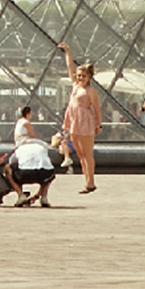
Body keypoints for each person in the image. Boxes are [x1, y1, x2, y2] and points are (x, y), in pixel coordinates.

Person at [58, 41, 102, 193]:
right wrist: (68, 51)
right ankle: (87, 181)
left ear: (89, 77)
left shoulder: (91, 91)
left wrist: (98, 125)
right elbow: (70, 66)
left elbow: (97, 110)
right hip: (74, 120)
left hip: (85, 121)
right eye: (79, 76)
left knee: (88, 153)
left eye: (83, 76)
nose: (80, 78)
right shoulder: (76, 85)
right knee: (80, 153)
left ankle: (91, 182)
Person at [9, 135, 56, 205]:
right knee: (47, 169)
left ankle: (21, 195)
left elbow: (11, 162)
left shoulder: (20, 148)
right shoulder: (42, 148)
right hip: (43, 174)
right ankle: (44, 197)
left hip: (24, 174)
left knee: (8, 168)